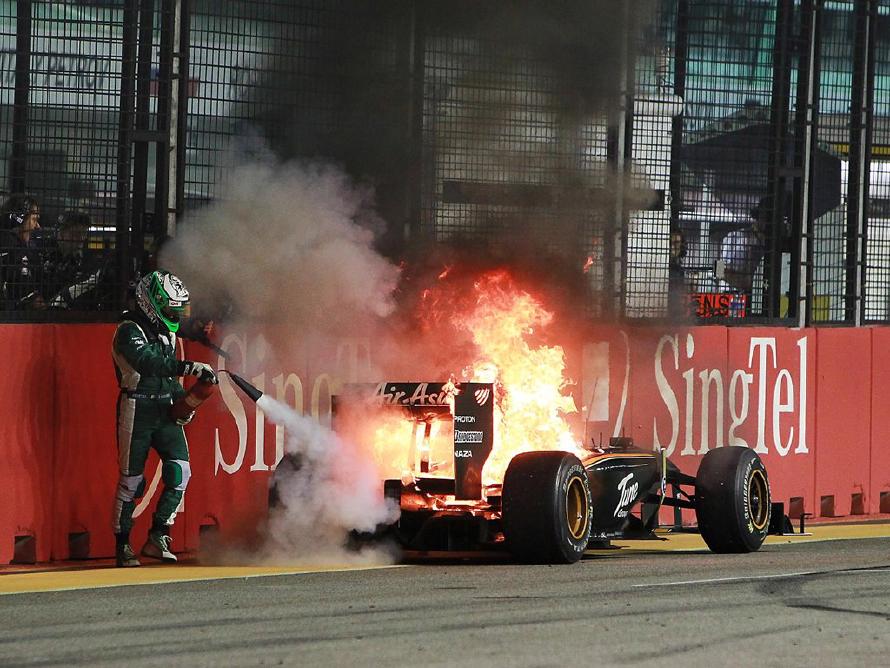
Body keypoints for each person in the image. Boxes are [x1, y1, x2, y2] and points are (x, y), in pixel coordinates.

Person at [111, 269, 219, 567]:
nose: (175, 315)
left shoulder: (166, 331)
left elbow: (168, 376)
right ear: (152, 302)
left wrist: (187, 404)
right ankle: (123, 544)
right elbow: (148, 363)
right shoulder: (128, 330)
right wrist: (189, 368)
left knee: (180, 472)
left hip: (164, 406)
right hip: (137, 408)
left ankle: (159, 535)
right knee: (132, 481)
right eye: (171, 308)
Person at [44, 211, 112, 310]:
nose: (81, 238)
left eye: (84, 234)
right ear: (61, 233)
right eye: (76, 234)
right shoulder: (43, 252)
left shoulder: (85, 261)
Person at [0, 194, 45, 310]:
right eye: (34, 219)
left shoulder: (24, 249)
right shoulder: (9, 248)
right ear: (19, 219)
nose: (37, 226)